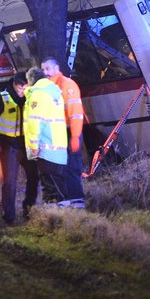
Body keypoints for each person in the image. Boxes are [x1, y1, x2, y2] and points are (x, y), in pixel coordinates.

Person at [0, 71, 39, 224]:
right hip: (9, 146)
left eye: (25, 88)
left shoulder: (31, 98)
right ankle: (9, 215)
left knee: (34, 177)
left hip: (28, 144)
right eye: (20, 88)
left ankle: (29, 209)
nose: (23, 92)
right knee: (10, 182)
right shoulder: (2, 99)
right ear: (15, 85)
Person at [41, 57, 86, 208]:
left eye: (47, 69)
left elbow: (76, 113)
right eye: (43, 69)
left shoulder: (67, 85)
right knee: (60, 166)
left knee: (72, 166)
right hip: (59, 132)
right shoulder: (49, 87)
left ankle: (77, 199)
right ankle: (67, 199)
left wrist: (75, 136)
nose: (45, 72)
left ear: (56, 68)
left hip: (70, 131)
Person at [23, 67, 68, 205]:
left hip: (46, 149)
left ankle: (53, 220)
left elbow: (35, 122)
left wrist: (33, 145)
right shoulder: (54, 93)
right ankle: (65, 218)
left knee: (50, 190)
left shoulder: (38, 94)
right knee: (59, 187)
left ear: (31, 80)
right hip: (58, 149)